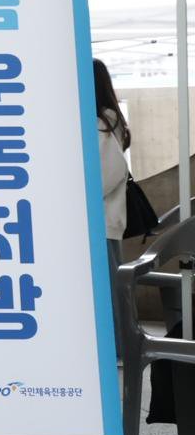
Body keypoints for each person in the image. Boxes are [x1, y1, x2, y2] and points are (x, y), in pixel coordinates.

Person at [94, 59, 130, 279]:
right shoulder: (108, 122)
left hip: (101, 224)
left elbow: (112, 171)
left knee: (109, 296)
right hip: (107, 223)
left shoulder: (100, 125)